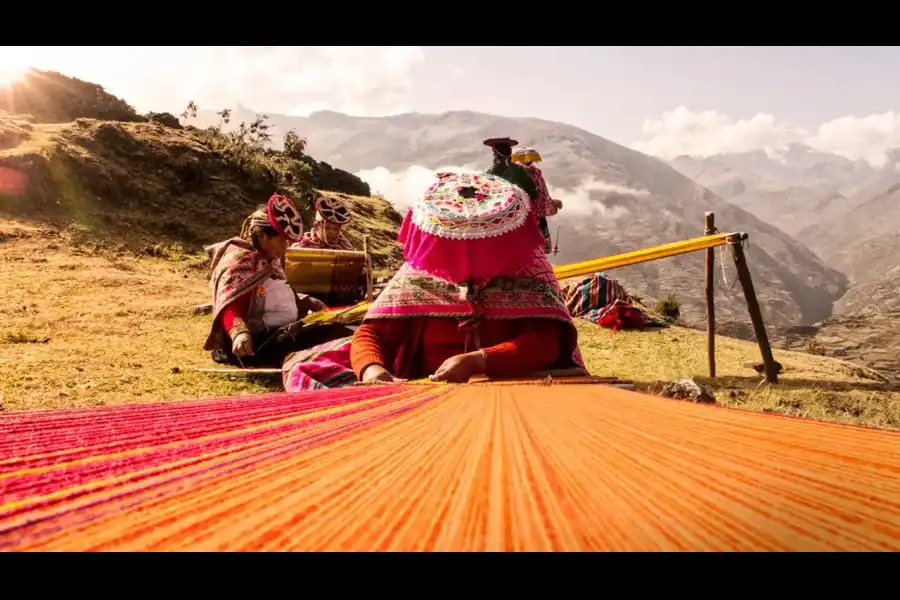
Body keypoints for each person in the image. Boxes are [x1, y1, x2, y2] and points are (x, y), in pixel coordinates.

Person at [350, 172, 586, 384]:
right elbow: (372, 334)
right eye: (457, 242)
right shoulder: (422, 269)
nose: (467, 253)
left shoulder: (529, 267)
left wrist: (480, 360)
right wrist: (372, 369)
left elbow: (547, 342)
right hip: (427, 390)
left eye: (478, 243)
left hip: (516, 387)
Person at [204, 193, 328, 368]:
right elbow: (229, 307)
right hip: (253, 343)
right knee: (306, 340)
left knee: (327, 329)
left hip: (280, 332)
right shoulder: (239, 262)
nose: (287, 246)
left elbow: (279, 293)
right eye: (283, 241)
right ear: (263, 237)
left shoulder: (270, 262)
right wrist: (240, 334)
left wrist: (307, 300)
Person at [512, 146, 563, 253]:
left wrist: (552, 202)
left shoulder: (537, 172)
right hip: (524, 212)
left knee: (539, 241)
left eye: (529, 159)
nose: (527, 161)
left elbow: (543, 192)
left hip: (537, 211)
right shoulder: (516, 173)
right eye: (524, 159)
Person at [483, 137, 539, 203]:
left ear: (495, 153)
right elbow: (533, 193)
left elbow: (532, 192)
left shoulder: (489, 172)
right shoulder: (518, 169)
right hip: (512, 206)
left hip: (509, 206)